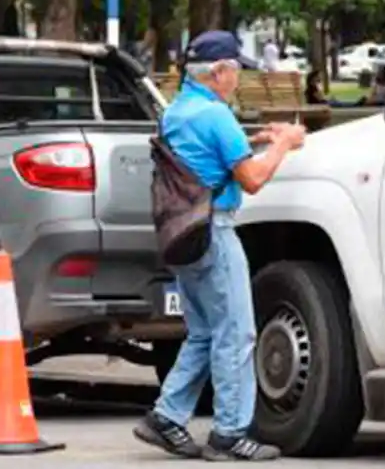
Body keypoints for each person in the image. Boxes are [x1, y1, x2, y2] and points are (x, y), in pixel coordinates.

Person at [134, 30, 308, 461]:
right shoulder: (216, 116)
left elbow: (206, 158)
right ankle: (230, 433)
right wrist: (284, 143)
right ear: (219, 72)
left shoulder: (178, 112)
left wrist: (252, 143)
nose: (239, 79)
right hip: (216, 232)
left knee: (203, 333)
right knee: (237, 333)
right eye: (236, 71)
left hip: (184, 234)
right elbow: (251, 180)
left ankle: (167, 416)